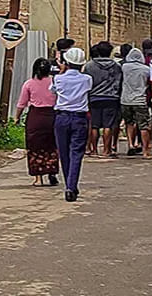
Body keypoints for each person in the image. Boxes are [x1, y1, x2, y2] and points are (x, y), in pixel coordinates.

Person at [51, 47, 93, 202]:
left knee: (64, 152)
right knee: (76, 153)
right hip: (79, 118)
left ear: (66, 62)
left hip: (61, 117)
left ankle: (70, 184)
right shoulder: (87, 79)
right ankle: (71, 185)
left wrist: (61, 71)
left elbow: (52, 91)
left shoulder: (58, 78)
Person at [15, 57, 59, 186]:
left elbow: (21, 103)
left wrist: (17, 117)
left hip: (35, 117)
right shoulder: (54, 83)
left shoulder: (29, 83)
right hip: (51, 116)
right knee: (51, 146)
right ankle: (52, 172)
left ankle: (38, 178)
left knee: (35, 147)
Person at [83, 41, 123, 158]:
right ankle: (106, 150)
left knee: (95, 125)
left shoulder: (89, 65)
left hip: (94, 97)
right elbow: (120, 81)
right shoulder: (117, 66)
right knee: (108, 125)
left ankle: (94, 150)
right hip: (111, 98)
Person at [120, 47, 152, 159]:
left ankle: (130, 144)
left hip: (125, 99)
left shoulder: (124, 67)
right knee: (143, 126)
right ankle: (145, 150)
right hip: (140, 100)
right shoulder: (146, 69)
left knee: (129, 123)